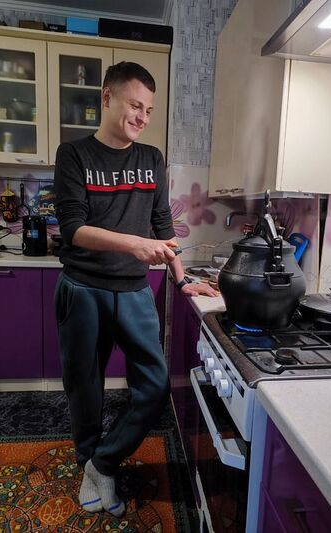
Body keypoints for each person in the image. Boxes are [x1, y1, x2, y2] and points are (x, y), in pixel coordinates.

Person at [54, 61, 218, 516]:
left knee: (154, 385)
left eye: (148, 109)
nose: (142, 117)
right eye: (134, 105)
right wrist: (134, 243)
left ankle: (102, 463)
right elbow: (73, 229)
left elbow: (163, 226)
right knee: (85, 388)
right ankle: (88, 465)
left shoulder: (151, 159)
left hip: (133, 292)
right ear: (107, 98)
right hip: (83, 288)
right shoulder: (74, 155)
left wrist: (182, 279)